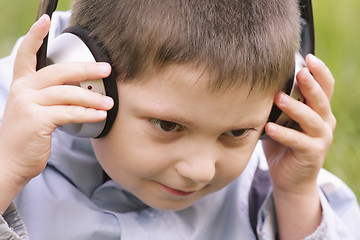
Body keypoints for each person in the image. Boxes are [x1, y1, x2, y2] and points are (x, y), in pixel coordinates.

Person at [0, 0, 359, 239]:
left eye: (235, 132)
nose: (200, 171)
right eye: (169, 126)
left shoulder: (268, 178)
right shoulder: (9, 141)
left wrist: (295, 194)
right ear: (80, 79)